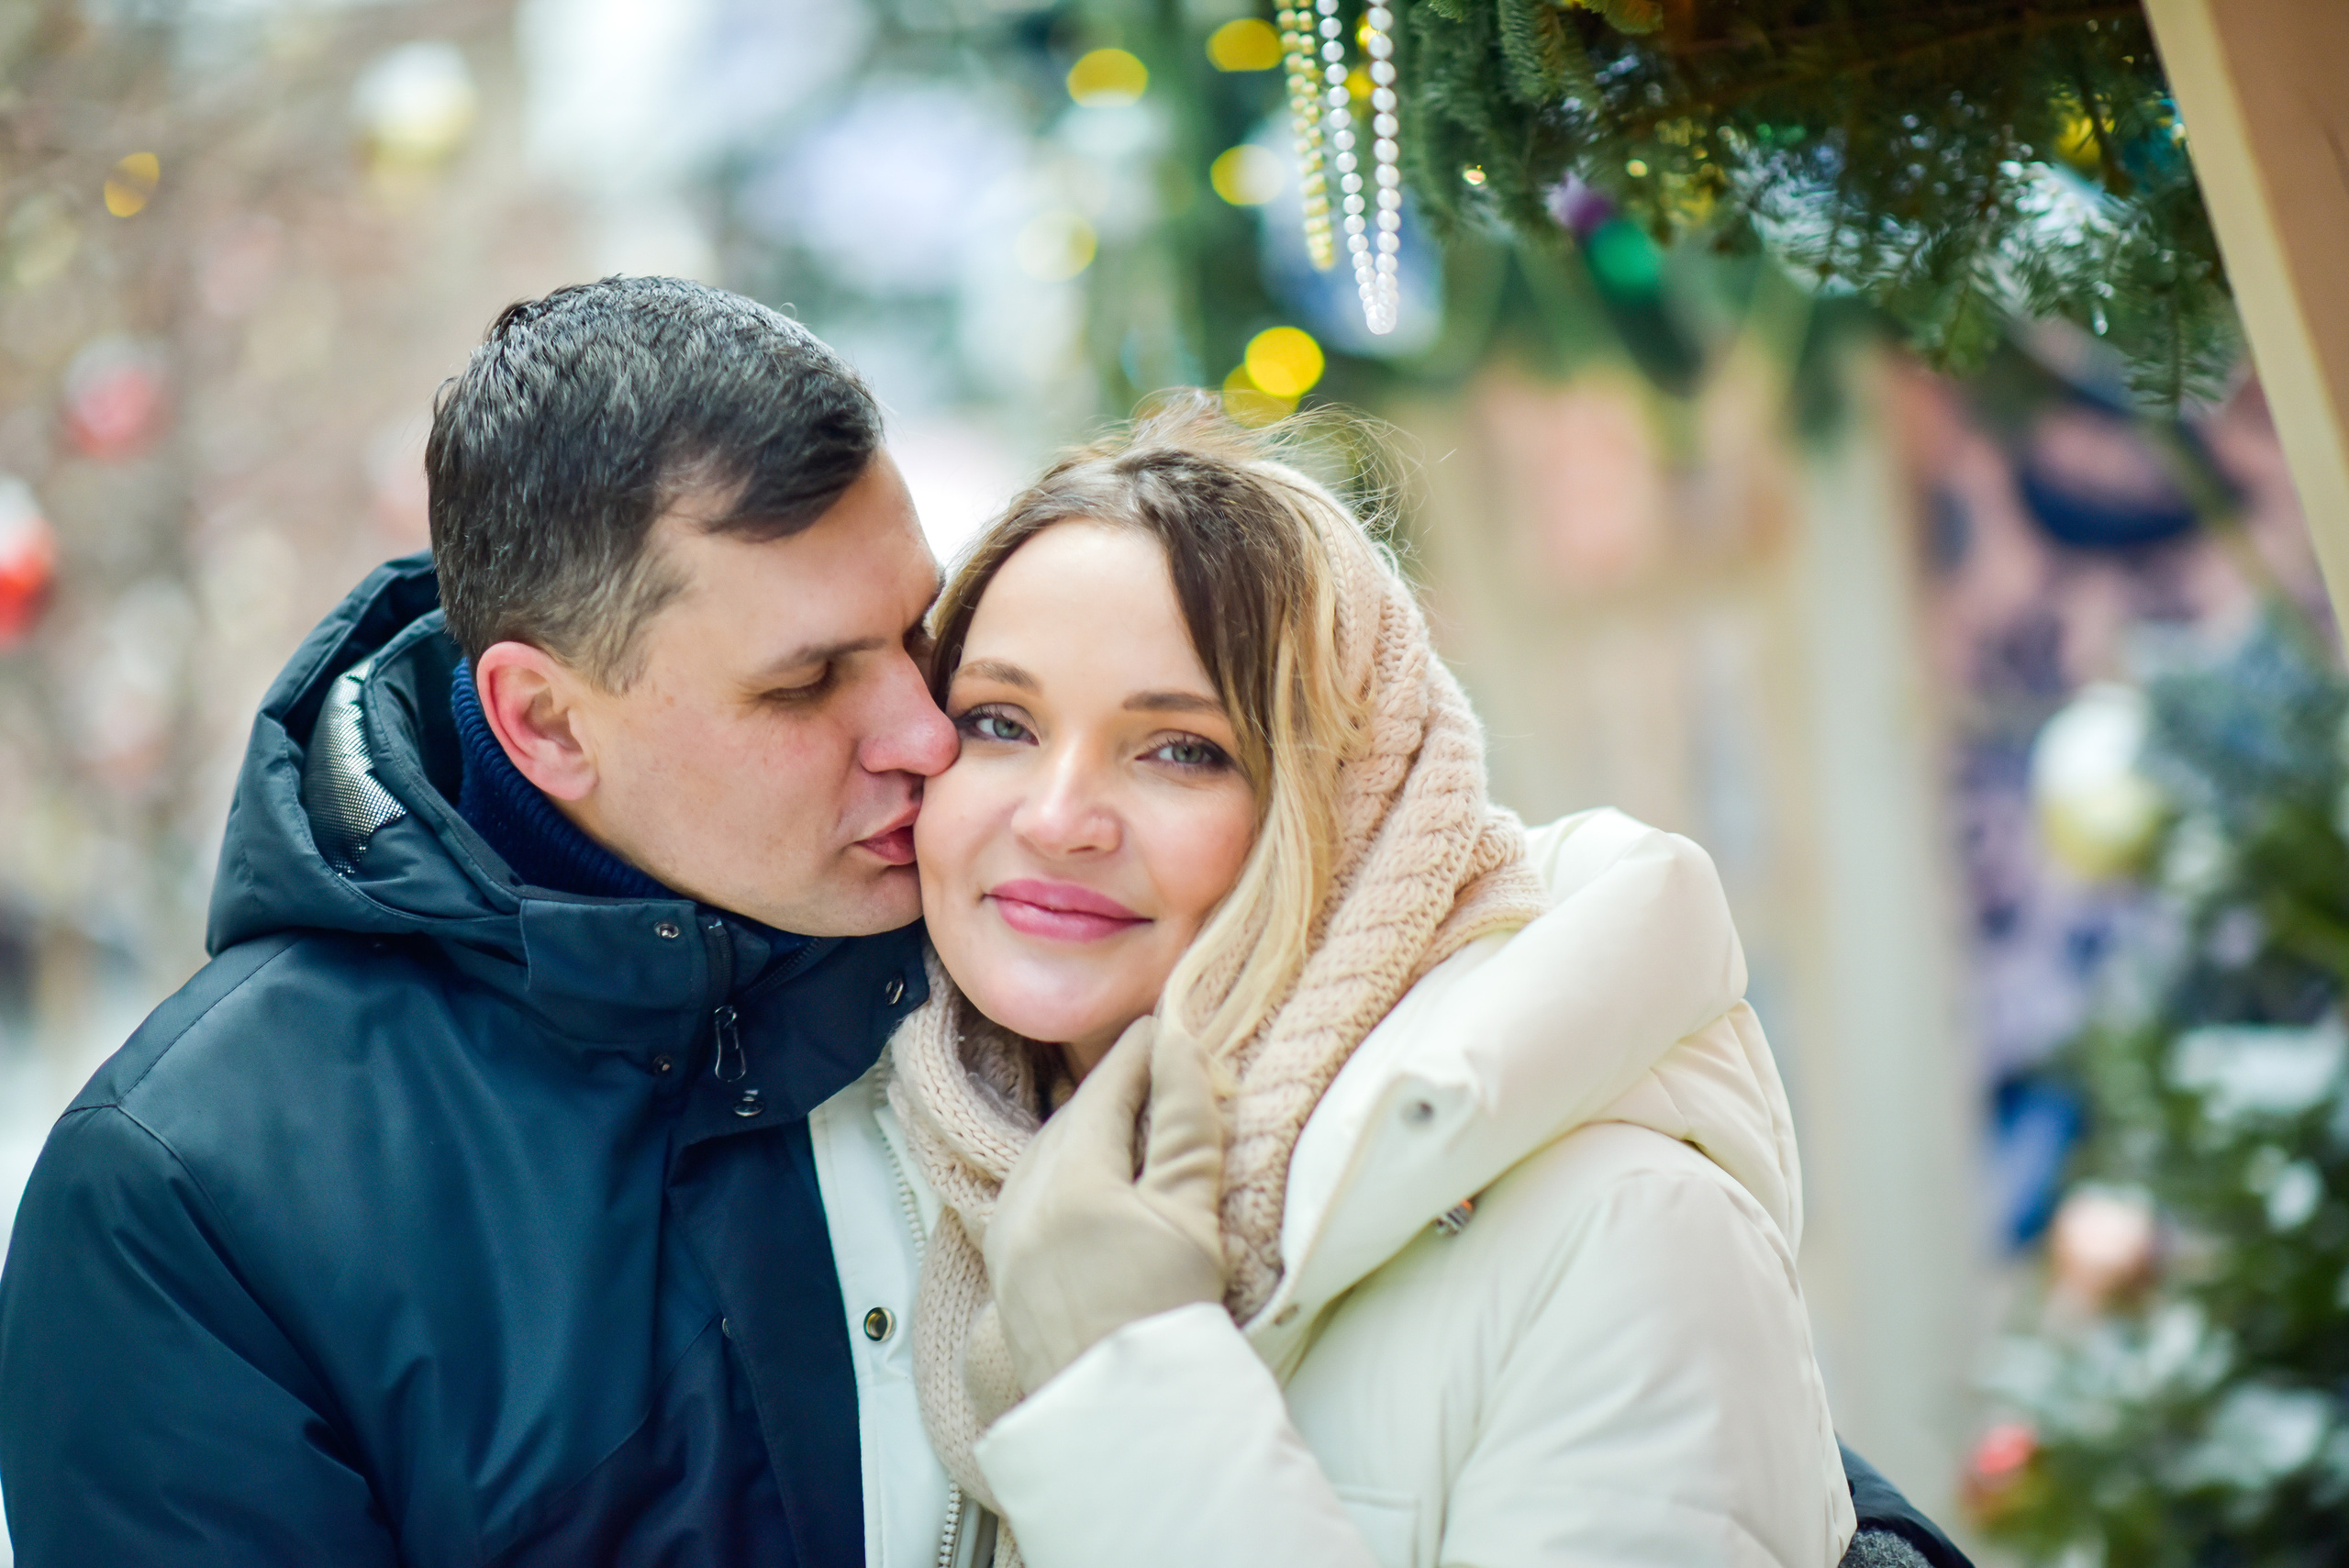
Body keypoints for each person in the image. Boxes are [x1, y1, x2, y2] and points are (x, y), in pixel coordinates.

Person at [0, 278, 969, 1566]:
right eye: (804, 684)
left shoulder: (1023, 967)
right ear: (545, 723)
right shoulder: (188, 1200)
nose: (927, 731)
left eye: (919, 630)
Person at [886, 395, 1860, 1567]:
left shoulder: (1627, 1233)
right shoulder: (903, 1188)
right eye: (1000, 721)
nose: (1056, 818)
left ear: (1351, 807)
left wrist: (1123, 1380)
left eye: (1182, 749)